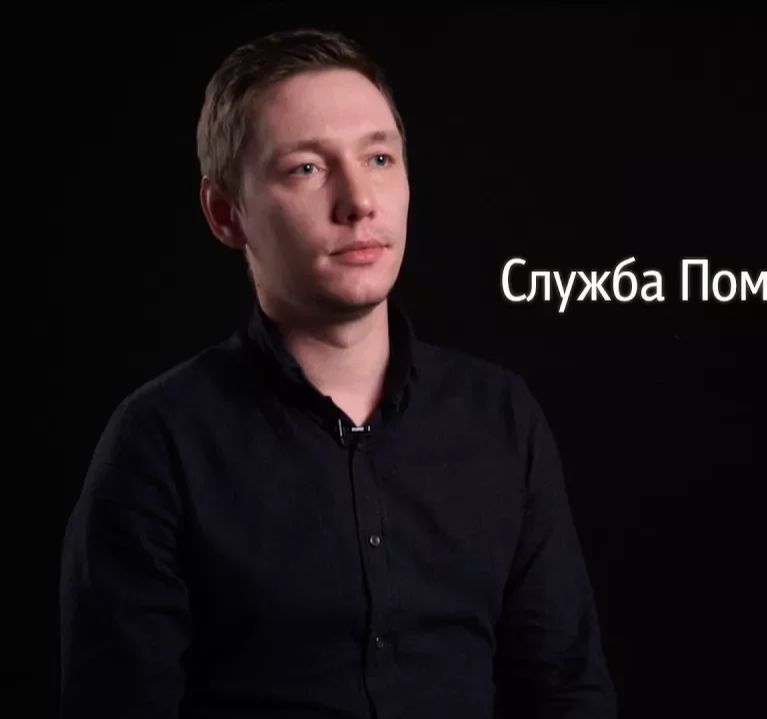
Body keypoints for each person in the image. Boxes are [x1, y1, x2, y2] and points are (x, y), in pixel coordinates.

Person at [59, 28, 616, 719]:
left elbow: (567, 692)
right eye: (306, 168)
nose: (359, 201)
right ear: (226, 213)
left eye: (379, 158)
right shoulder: (158, 442)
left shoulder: (501, 417)